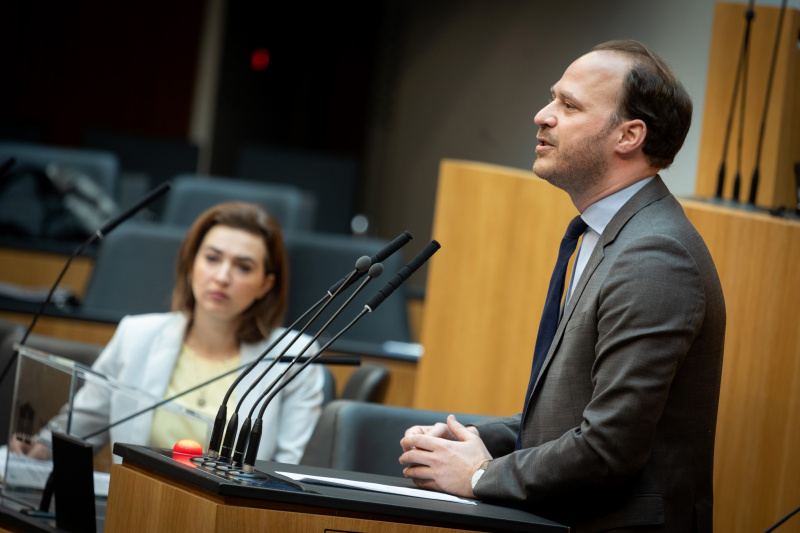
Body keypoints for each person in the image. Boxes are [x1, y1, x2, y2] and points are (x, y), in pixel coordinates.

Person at [399, 40, 726, 532]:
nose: (542, 115)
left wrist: (481, 474)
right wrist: (465, 441)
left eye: (568, 105)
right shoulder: (610, 234)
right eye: (553, 99)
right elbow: (570, 416)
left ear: (629, 135)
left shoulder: (655, 255)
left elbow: (609, 447)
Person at [12, 201, 323, 464]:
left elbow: (285, 471)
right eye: (212, 258)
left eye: (243, 267)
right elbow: (79, 427)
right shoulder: (136, 336)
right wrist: (38, 448)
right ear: (191, 265)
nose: (223, 276)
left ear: (266, 285)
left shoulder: (294, 357)